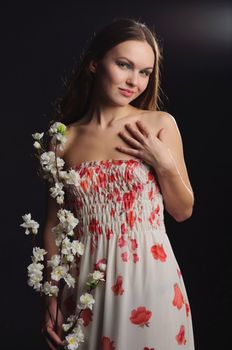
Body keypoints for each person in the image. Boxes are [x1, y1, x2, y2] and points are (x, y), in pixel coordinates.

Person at [42, 17, 195, 350]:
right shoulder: (63, 140)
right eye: (124, 65)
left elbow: (183, 211)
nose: (134, 81)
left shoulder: (158, 125)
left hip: (148, 279)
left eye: (144, 72)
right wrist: (50, 296)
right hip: (84, 285)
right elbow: (53, 225)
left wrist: (164, 162)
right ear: (95, 63)